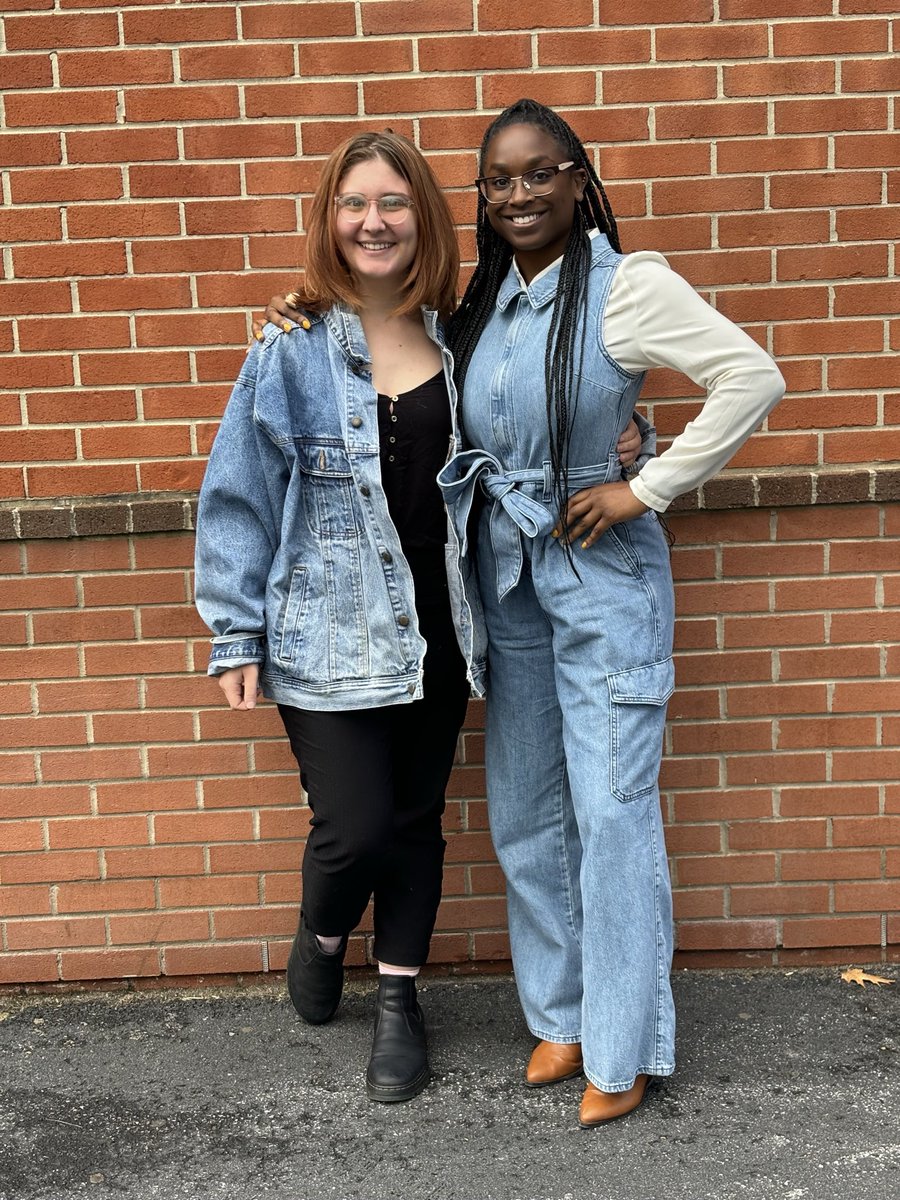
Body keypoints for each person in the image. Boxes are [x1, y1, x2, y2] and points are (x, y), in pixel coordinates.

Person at [196, 127, 648, 1106]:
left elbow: (545, 411)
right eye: (354, 203)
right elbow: (236, 493)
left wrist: (629, 438)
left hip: (446, 628)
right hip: (325, 632)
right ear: (330, 219)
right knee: (352, 826)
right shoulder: (289, 350)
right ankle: (322, 937)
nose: (374, 220)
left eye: (393, 203)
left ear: (423, 219)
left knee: (415, 822)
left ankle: (399, 998)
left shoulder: (465, 333)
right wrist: (235, 631)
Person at [437, 98, 785, 1127]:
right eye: (499, 180)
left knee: (611, 812)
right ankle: (563, 1015)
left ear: (579, 180)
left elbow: (750, 376)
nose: (519, 195)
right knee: (526, 814)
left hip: (603, 577)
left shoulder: (626, 286)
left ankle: (624, 1045)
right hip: (511, 584)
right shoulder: (489, 300)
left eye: (541, 173)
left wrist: (647, 484)